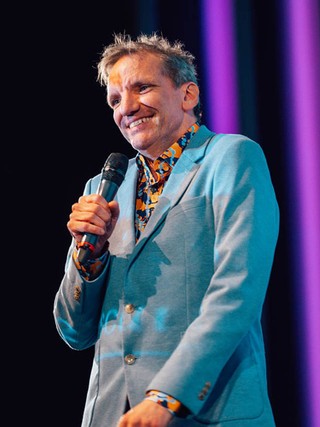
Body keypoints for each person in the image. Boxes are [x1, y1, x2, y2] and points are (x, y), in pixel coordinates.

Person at [53, 32, 280, 427]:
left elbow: (237, 291)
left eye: (142, 88)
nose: (127, 107)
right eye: (115, 100)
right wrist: (88, 258)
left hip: (205, 412)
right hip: (114, 415)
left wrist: (167, 397)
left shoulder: (230, 157)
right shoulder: (103, 189)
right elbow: (74, 330)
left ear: (187, 95)